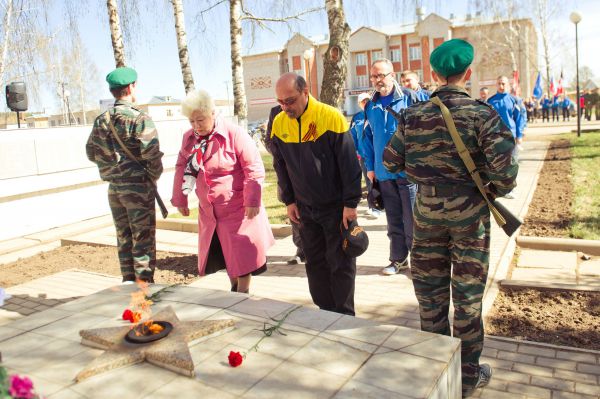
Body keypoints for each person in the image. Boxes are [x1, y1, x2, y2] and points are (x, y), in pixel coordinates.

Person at [382, 38, 518, 397]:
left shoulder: (412, 115)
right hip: (470, 219)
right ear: (467, 73)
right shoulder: (483, 114)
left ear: (434, 74)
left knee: (431, 299)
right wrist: (478, 182)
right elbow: (507, 176)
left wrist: (424, 173)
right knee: (468, 301)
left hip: (426, 217)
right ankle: (468, 378)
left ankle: (437, 375)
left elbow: (390, 161)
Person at [269, 72, 362, 315]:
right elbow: (280, 166)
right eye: (280, 102)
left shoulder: (330, 117)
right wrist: (289, 200)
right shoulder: (279, 123)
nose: (285, 107)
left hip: (336, 208)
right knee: (315, 263)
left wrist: (350, 204)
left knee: (340, 263)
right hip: (304, 209)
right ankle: (324, 311)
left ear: (305, 91)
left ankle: (344, 315)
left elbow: (349, 164)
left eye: (290, 101)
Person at [171, 90, 274, 294]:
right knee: (227, 256)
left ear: (212, 113)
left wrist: (252, 200)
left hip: (238, 210)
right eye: (191, 121)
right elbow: (181, 167)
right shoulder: (189, 138)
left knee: (242, 257)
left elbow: (253, 167)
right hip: (210, 213)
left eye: (200, 120)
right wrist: (180, 198)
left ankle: (241, 294)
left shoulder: (234, 134)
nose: (196, 126)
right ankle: (235, 288)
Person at [86, 67, 163, 284]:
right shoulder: (140, 118)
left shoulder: (101, 120)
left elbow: (91, 152)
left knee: (124, 238)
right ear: (131, 87)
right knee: (143, 240)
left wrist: (112, 168)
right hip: (138, 188)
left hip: (115, 190)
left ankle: (127, 283)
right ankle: (143, 289)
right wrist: (152, 176)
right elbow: (152, 154)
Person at [362, 59, 417, 276]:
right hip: (383, 172)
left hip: (408, 171)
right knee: (393, 219)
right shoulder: (371, 106)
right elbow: (366, 137)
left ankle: (420, 262)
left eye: (380, 76)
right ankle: (398, 260)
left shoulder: (409, 99)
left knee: (412, 220)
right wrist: (370, 166)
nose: (376, 81)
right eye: (373, 77)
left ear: (392, 75)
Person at [264, 104, 306, 265]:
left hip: (309, 173)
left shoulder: (308, 108)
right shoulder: (275, 112)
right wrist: (283, 152)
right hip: (288, 172)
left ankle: (315, 248)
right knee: (294, 212)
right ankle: (301, 250)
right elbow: (269, 140)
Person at [350, 92, 381, 217]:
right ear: (359, 104)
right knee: (370, 180)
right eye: (363, 101)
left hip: (379, 153)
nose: (365, 103)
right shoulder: (357, 117)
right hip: (364, 155)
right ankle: (374, 207)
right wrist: (355, 152)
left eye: (367, 100)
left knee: (383, 180)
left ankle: (384, 202)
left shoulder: (376, 113)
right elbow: (353, 136)